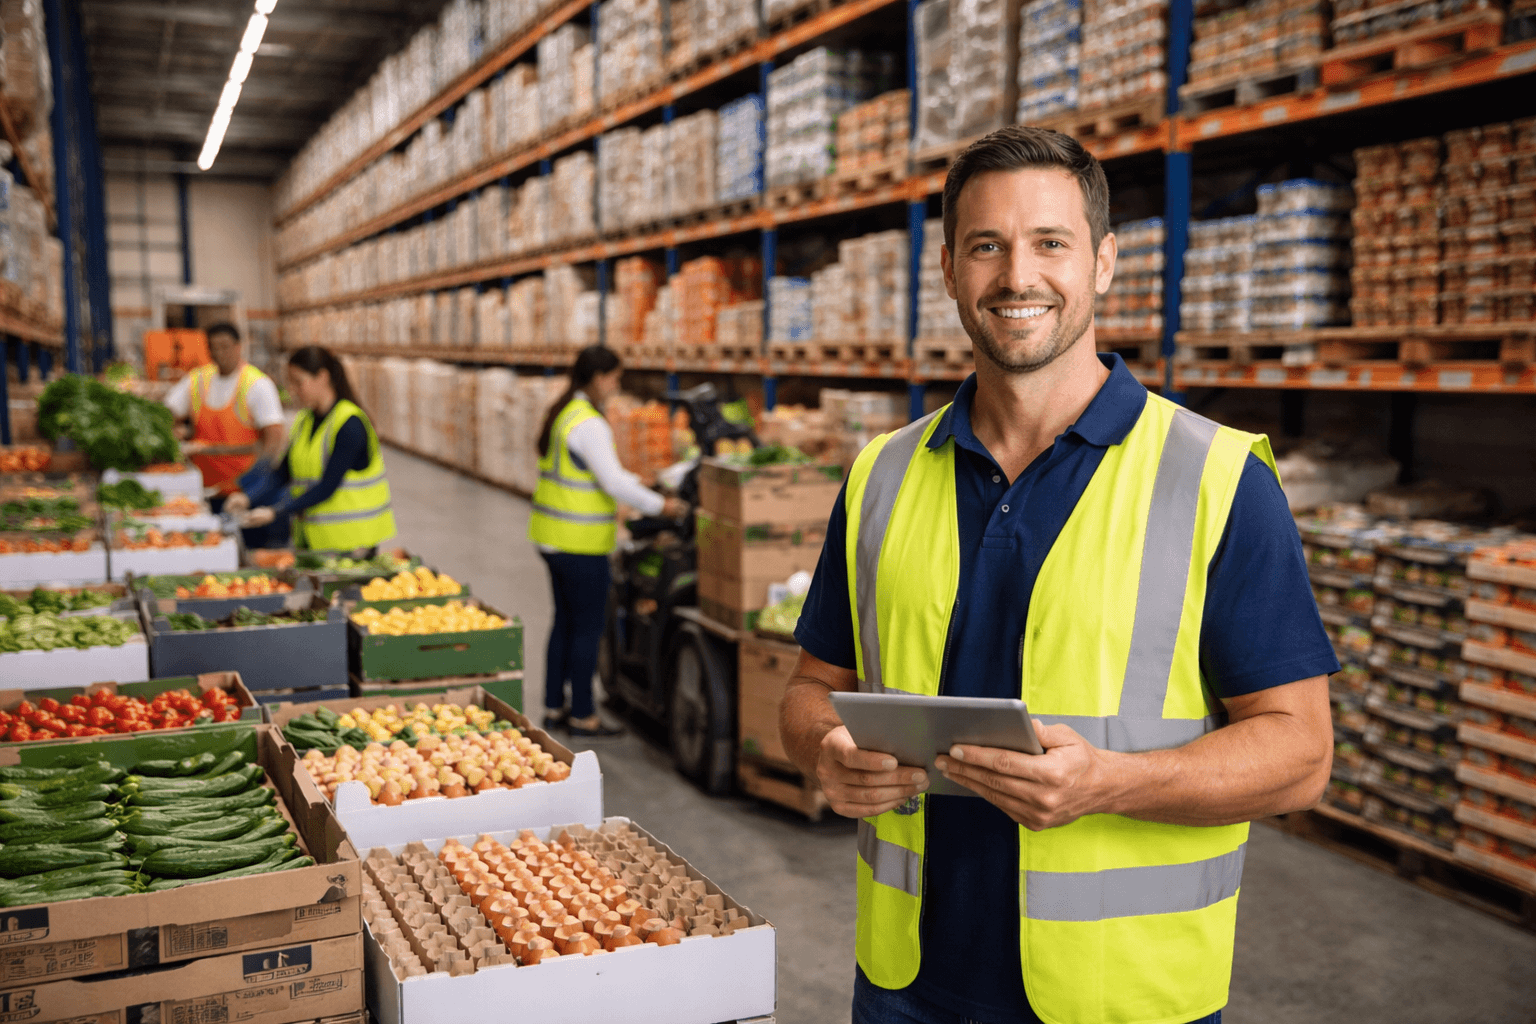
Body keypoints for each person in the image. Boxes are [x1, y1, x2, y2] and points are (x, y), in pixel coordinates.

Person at [778, 125, 1338, 1024]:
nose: (1017, 276)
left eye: (1050, 243)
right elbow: (810, 690)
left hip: (1124, 1000)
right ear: (949, 271)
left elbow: (1301, 756)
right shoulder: (881, 475)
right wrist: (826, 754)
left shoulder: (1217, 479)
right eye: (986, 246)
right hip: (904, 986)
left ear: (1103, 263)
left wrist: (1111, 782)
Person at [529, 345, 687, 738]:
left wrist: (640, 483)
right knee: (588, 628)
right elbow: (612, 482)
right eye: (615, 377)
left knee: (564, 623)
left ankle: (554, 707)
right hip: (579, 544)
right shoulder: (590, 424)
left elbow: (599, 472)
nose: (616, 385)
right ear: (599, 377)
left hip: (552, 538)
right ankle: (583, 714)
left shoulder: (566, 412)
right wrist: (664, 507)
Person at [225, 347, 395, 552]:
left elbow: (327, 486)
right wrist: (247, 497)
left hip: (352, 543)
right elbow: (282, 473)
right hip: (316, 540)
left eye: (299, 382)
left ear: (322, 377)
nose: (293, 390)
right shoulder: (304, 421)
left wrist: (275, 511)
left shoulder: (349, 424)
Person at [162, 322, 285, 503]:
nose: (219, 353)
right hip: (204, 489)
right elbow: (166, 413)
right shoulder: (197, 379)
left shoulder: (257, 384)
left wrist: (255, 485)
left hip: (242, 492)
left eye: (225, 347)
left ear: (238, 347)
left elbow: (274, 439)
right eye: (213, 348)